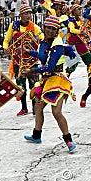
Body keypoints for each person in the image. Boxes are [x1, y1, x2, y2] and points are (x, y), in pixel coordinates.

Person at [22, 16, 76, 152]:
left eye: (54, 29)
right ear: (44, 27)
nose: (51, 31)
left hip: (57, 80)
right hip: (46, 80)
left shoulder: (57, 44)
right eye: (49, 28)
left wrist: (32, 70)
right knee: (39, 107)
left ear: (57, 30)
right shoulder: (44, 42)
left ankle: (68, 140)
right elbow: (43, 57)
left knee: (56, 112)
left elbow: (50, 66)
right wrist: (31, 52)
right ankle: (36, 135)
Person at [3, 4, 44, 116]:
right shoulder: (13, 26)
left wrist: (41, 49)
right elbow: (6, 40)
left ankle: (35, 107)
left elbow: (42, 38)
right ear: (20, 15)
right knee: (20, 86)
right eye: (26, 13)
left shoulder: (34, 27)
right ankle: (24, 108)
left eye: (30, 13)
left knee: (34, 85)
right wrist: (5, 47)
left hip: (32, 61)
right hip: (18, 61)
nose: (28, 16)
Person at [66, 4, 91, 76]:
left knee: (89, 60)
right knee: (73, 63)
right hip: (74, 43)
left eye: (80, 9)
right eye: (78, 9)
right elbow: (72, 30)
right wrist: (81, 32)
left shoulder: (80, 19)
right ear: (74, 11)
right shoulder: (71, 20)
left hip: (81, 42)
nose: (80, 11)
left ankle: (90, 78)